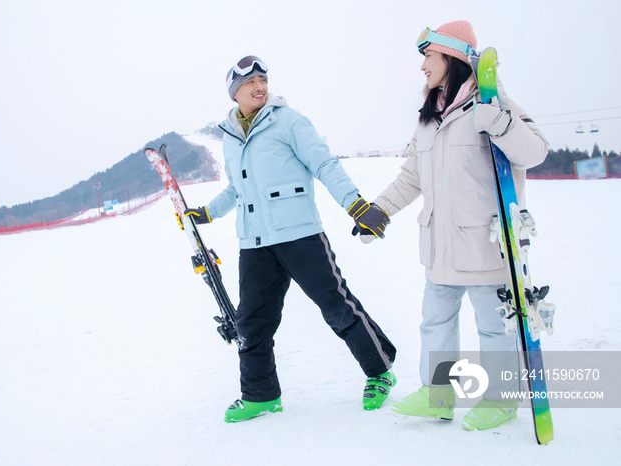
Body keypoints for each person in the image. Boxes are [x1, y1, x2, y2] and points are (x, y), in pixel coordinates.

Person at [183, 55, 397, 423]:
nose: (259, 86)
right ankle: (260, 394)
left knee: (336, 306)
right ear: (235, 93)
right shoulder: (232, 137)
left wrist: (357, 206)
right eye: (250, 83)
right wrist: (207, 213)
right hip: (254, 242)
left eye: (263, 79)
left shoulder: (290, 121)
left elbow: (324, 164)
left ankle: (380, 371)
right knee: (252, 323)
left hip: (299, 234)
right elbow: (236, 188)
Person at [363, 21, 549, 431]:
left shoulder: (492, 102)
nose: (423, 67)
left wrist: (499, 122)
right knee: (435, 321)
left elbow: (535, 153)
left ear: (451, 56)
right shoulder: (429, 116)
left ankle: (501, 399)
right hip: (440, 243)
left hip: (484, 242)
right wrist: (381, 209)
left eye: (428, 57)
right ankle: (438, 395)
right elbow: (413, 174)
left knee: (492, 327)